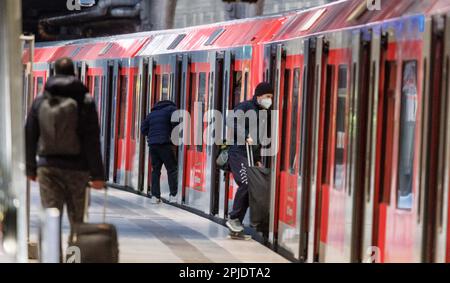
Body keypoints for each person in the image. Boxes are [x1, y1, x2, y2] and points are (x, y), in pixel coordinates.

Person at [25, 57, 105, 255]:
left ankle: (52, 259)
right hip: (78, 170)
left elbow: (30, 134)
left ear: (53, 73)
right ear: (74, 74)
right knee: (77, 221)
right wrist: (97, 175)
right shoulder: (85, 101)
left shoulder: (41, 100)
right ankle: (73, 260)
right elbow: (91, 139)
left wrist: (30, 168)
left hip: (48, 169)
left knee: (51, 218)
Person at [225, 82, 273, 234]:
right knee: (246, 183)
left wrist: (257, 157)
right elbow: (231, 121)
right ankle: (233, 218)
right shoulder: (245, 107)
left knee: (251, 186)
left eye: (271, 97)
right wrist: (245, 135)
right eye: (267, 97)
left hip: (250, 155)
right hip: (237, 153)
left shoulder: (264, 113)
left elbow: (259, 138)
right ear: (259, 96)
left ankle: (236, 224)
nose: (269, 100)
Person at [141, 100, 178, 204]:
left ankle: (155, 196)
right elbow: (177, 123)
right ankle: (173, 195)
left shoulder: (152, 114)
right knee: (171, 169)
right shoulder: (172, 109)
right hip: (165, 144)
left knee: (155, 171)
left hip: (153, 145)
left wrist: (152, 135)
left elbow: (143, 129)